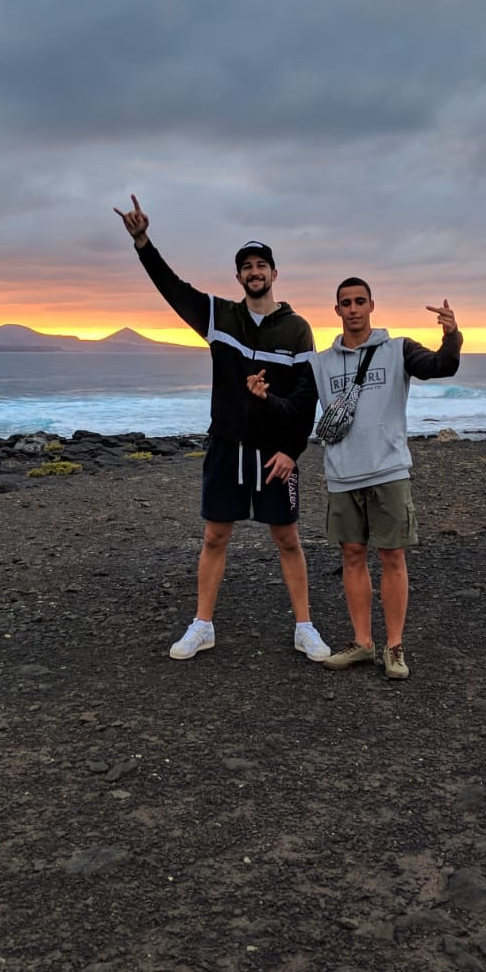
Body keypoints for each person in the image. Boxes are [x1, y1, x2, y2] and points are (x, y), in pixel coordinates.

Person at [113, 194, 330, 663]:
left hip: (274, 454)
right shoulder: (219, 317)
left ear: (274, 273)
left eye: (261, 265)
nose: (254, 272)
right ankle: (202, 625)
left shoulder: (297, 329)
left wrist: (293, 451)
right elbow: (172, 288)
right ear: (239, 277)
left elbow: (306, 397)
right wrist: (143, 242)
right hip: (227, 447)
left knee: (287, 539)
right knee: (214, 536)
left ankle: (305, 628)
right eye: (246, 266)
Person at [248, 276, 462, 681]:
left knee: (392, 557)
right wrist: (265, 399)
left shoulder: (398, 349)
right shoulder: (321, 363)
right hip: (343, 476)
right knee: (351, 556)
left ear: (371, 306)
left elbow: (441, 365)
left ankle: (394, 647)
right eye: (345, 303)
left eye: (359, 301)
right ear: (337, 310)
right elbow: (296, 409)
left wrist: (451, 336)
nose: (353, 309)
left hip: (388, 472)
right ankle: (363, 643)